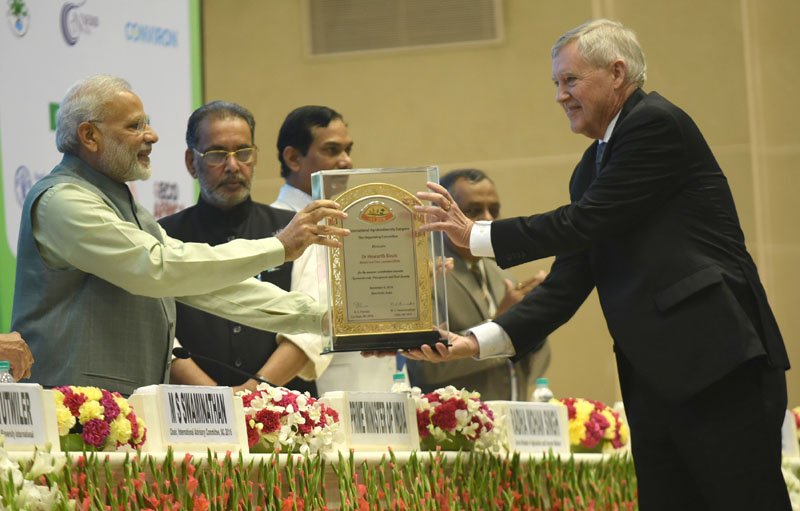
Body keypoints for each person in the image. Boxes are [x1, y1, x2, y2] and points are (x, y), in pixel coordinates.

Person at [406, 20, 791, 510]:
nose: (561, 96)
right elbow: (567, 284)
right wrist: (474, 341)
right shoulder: (591, 167)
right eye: (555, 85)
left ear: (616, 72)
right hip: (654, 380)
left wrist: (474, 235)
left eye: (570, 80)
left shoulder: (655, 124)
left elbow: (583, 221)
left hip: (716, 364)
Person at [11, 75, 348, 396]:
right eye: (135, 126)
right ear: (89, 136)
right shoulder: (63, 201)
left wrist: (327, 319)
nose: (152, 135)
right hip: (69, 413)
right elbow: (159, 268)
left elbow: (210, 289)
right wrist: (278, 247)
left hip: (116, 410)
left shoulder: (121, 204)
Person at [159, 100, 321, 395]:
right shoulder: (163, 237)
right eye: (217, 154)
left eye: (243, 152)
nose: (233, 166)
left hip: (287, 408)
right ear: (190, 162)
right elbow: (160, 337)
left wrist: (251, 394)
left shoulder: (295, 231)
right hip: (192, 408)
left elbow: (310, 328)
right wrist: (218, 400)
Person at [272, 105, 401, 393]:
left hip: (382, 380)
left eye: (348, 150)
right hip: (319, 388)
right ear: (293, 158)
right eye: (332, 150)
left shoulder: (354, 219)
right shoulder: (276, 226)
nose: (346, 161)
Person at [407, 169, 551, 400]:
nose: (488, 220)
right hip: (453, 426)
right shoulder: (428, 274)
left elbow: (535, 371)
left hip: (510, 418)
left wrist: (534, 326)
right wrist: (499, 322)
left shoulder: (500, 272)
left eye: (493, 210)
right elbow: (425, 368)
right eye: (473, 211)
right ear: (441, 215)